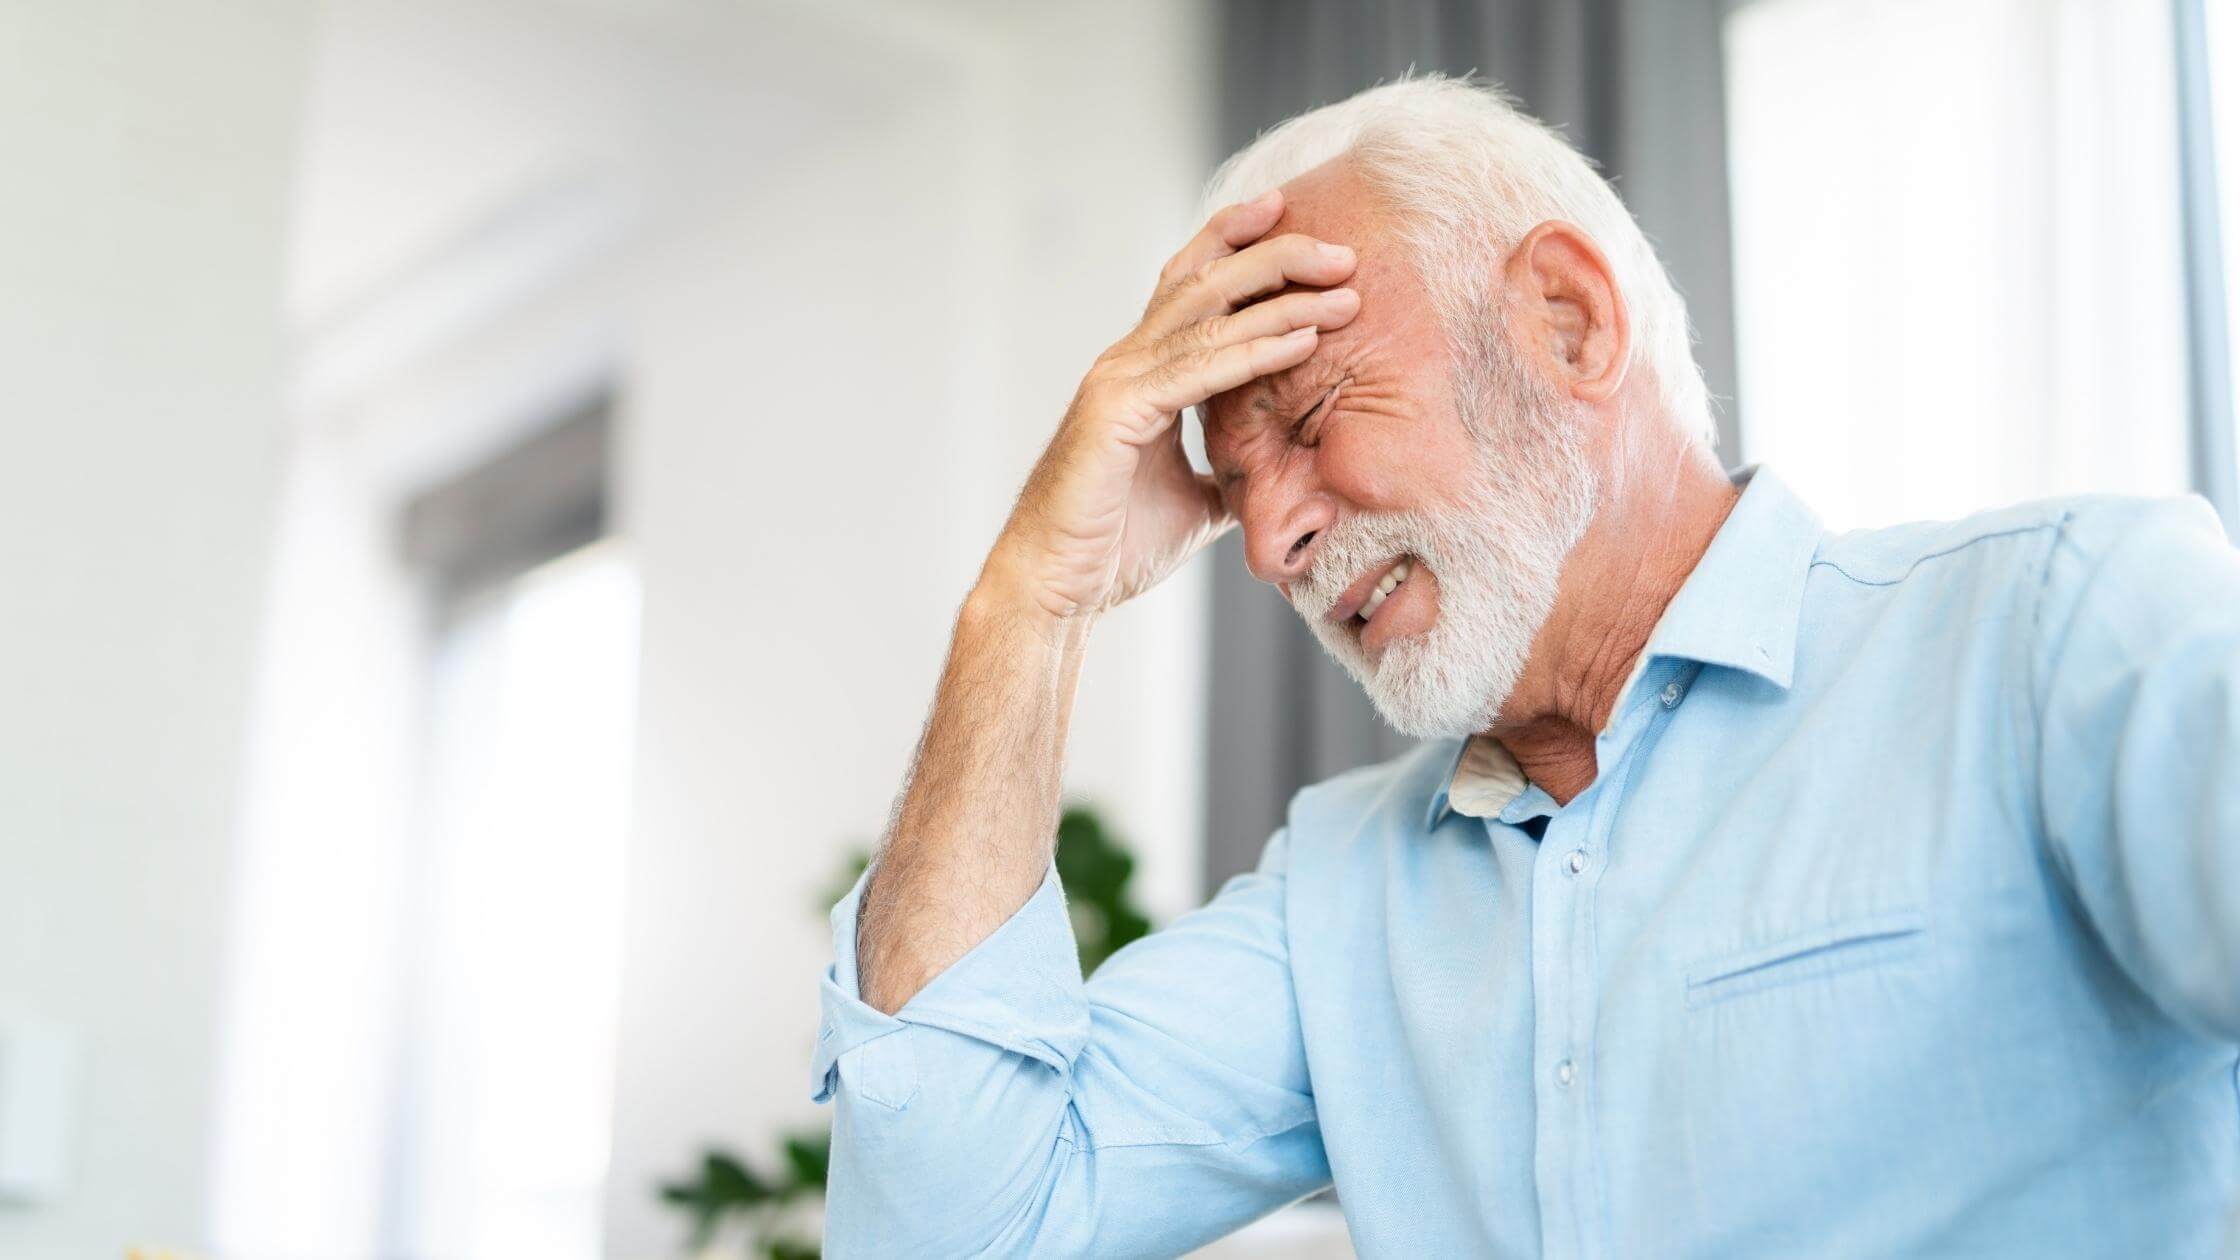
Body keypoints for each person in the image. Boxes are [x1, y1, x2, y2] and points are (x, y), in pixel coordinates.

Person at [809, 76, 2240, 1257]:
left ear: (1568, 323)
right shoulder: (1342, 892)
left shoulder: (2056, 633)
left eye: (1308, 420)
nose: (1270, 543)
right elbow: (946, 1230)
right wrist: (1030, 601)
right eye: (1233, 489)